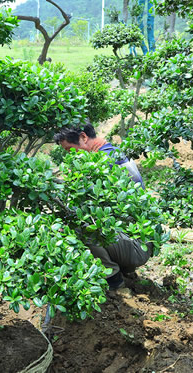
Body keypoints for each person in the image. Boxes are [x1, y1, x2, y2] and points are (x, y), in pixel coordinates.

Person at [53, 122, 152, 290]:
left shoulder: (105, 162)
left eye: (70, 150)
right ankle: (122, 268)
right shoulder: (111, 152)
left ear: (83, 137)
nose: (70, 156)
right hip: (134, 242)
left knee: (81, 225)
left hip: (136, 247)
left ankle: (113, 279)